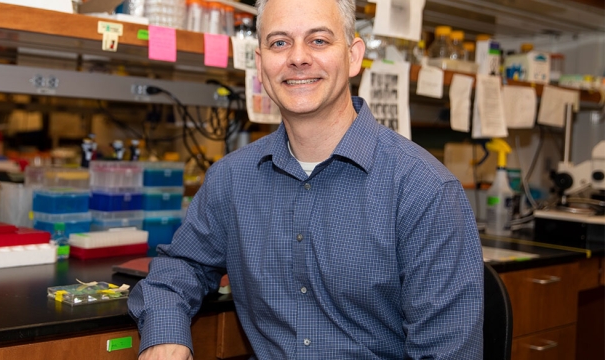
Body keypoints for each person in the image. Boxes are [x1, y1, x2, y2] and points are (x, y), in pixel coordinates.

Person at [127, 0, 484, 358]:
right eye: (279, 43)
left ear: (354, 56)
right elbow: (181, 265)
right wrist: (164, 333)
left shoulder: (425, 190)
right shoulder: (232, 179)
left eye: (318, 41)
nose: (297, 58)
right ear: (260, 62)